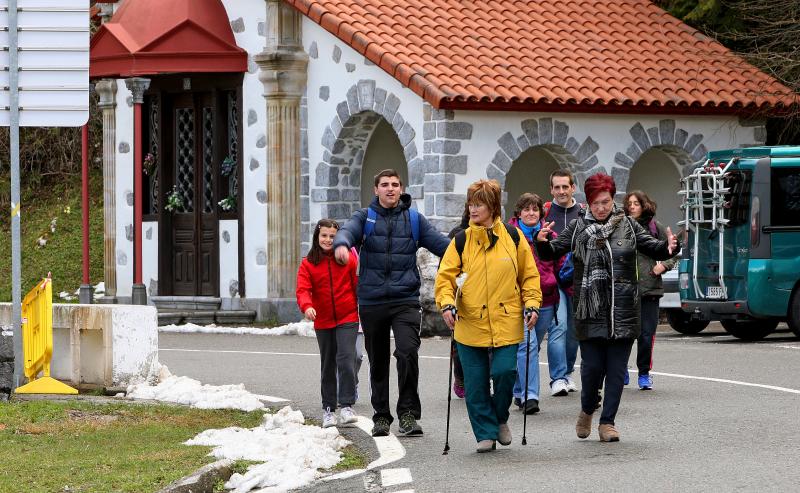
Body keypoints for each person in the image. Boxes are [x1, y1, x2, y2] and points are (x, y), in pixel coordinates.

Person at [536, 173, 678, 442]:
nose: (601, 207)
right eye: (596, 203)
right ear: (588, 203)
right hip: (590, 311)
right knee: (591, 370)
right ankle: (588, 408)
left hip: (624, 310)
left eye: (606, 201)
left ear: (613, 200)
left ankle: (607, 422)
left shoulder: (628, 226)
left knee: (615, 371)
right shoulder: (578, 227)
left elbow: (655, 248)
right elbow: (552, 250)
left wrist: (670, 247)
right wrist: (541, 242)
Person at [333, 169, 450, 437]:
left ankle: (408, 414)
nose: (390, 189)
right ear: (376, 189)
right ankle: (381, 416)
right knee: (378, 360)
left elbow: (441, 244)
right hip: (372, 300)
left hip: (405, 299)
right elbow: (347, 232)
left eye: (395, 185)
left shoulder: (413, 219)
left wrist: (466, 250)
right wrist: (341, 244)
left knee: (408, 352)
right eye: (384, 184)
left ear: (401, 189)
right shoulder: (365, 218)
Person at [436, 179, 542, 453]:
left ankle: (499, 418)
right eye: (471, 204)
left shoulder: (513, 238)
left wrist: (532, 303)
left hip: (506, 319)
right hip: (469, 323)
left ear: (493, 206)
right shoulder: (460, 240)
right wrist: (447, 304)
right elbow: (444, 279)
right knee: (475, 383)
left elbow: (529, 275)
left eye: (479, 204)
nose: (473, 209)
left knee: (505, 372)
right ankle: (485, 432)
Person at [296, 219, 360, 428]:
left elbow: (356, 285)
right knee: (328, 364)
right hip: (322, 320)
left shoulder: (348, 258)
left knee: (346, 359)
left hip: (348, 316)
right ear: (317, 237)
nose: (328, 240)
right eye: (324, 235)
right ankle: (329, 409)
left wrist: (363, 308)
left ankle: (347, 406)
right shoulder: (308, 263)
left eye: (332, 236)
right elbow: (303, 290)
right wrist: (307, 307)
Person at [508, 193, 558, 414]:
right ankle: (531, 396)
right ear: (518, 213)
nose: (530, 213)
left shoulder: (550, 234)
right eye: (526, 209)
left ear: (540, 213)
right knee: (525, 345)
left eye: (535, 209)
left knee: (532, 347)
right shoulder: (509, 235)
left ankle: (518, 391)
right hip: (517, 298)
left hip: (546, 296)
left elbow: (560, 261)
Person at [624, 190, 679, 390]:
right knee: (625, 334)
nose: (632, 206)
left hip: (650, 289)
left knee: (646, 335)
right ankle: (621, 369)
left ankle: (644, 374)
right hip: (625, 290)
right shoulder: (621, 226)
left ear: (644, 205)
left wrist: (664, 265)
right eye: (629, 203)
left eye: (636, 203)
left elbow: (673, 250)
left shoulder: (656, 227)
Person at [543, 169, 584, 396]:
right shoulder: (545, 214)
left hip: (577, 280)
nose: (561, 191)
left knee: (574, 331)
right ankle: (557, 378)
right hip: (553, 280)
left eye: (565, 187)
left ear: (572, 188)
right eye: (557, 187)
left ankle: (567, 373)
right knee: (559, 328)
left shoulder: (583, 214)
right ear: (551, 190)